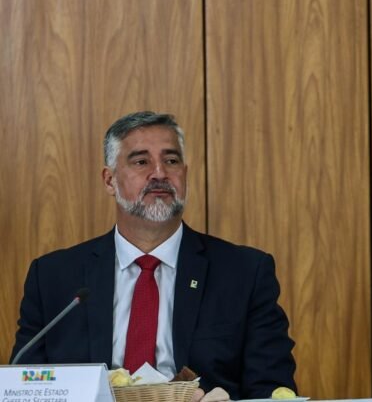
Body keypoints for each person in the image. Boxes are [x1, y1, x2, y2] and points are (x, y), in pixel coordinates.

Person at [10, 111, 297, 400]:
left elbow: (272, 389)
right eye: (141, 161)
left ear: (185, 174)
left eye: (171, 161)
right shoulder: (53, 278)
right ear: (109, 180)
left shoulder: (244, 273)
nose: (159, 173)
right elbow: (24, 389)